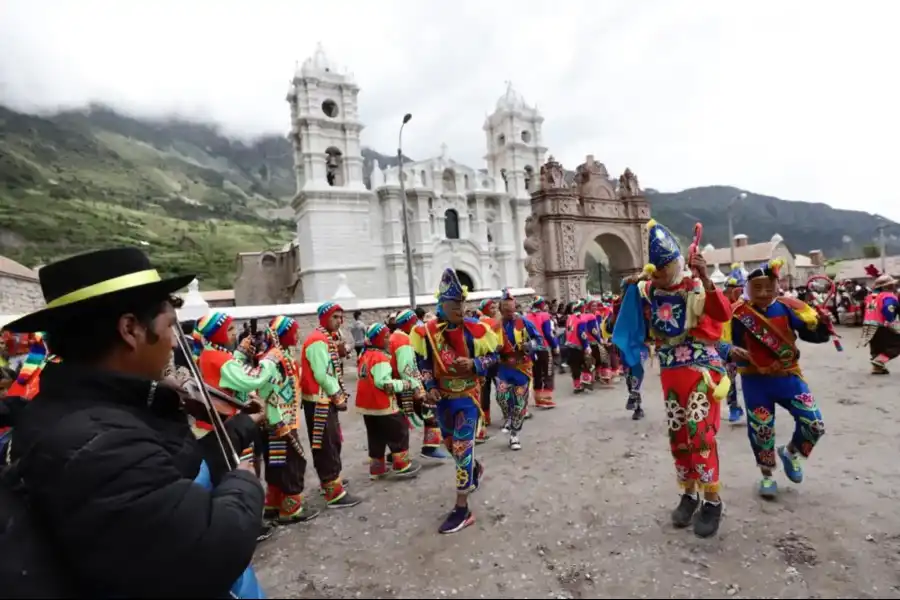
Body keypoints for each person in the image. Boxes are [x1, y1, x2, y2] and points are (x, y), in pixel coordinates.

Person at [4, 247, 264, 597]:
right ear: (130, 329)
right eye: (169, 326)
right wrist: (244, 482)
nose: (174, 341)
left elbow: (169, 475)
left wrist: (240, 426)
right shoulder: (95, 440)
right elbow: (207, 551)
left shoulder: (100, 411)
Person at [613, 219, 732, 538]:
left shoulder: (693, 285)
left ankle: (712, 499)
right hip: (670, 373)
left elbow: (722, 314)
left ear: (677, 263)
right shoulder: (649, 289)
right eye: (657, 270)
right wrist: (630, 285)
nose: (661, 275)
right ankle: (689, 493)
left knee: (700, 433)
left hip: (699, 371)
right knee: (679, 434)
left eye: (666, 268)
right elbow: (625, 317)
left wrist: (706, 278)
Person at [729, 258, 830, 498]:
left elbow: (811, 335)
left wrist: (821, 325)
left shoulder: (787, 308)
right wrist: (741, 357)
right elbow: (728, 346)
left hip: (788, 376)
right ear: (747, 288)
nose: (763, 293)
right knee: (761, 429)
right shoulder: (738, 315)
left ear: (777, 285)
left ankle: (791, 452)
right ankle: (766, 475)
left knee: (814, 423)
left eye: (768, 286)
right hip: (755, 381)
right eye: (757, 288)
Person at [410, 268, 499, 534]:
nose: (459, 308)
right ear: (442, 306)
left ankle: (462, 509)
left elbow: (494, 357)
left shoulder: (476, 331)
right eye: (453, 305)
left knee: (461, 449)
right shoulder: (427, 332)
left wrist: (474, 363)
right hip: (443, 401)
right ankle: (475, 468)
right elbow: (423, 361)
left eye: (462, 303)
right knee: (451, 446)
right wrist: (429, 386)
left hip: (467, 399)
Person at [196, 311, 279, 467]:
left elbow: (232, 367)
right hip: (228, 423)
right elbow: (250, 380)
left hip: (217, 420)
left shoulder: (209, 352)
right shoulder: (220, 359)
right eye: (229, 329)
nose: (235, 332)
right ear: (217, 334)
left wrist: (240, 352)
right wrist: (270, 360)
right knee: (242, 466)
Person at [300, 301, 361, 508]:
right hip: (320, 401)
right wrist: (337, 395)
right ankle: (332, 492)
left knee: (331, 441)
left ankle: (330, 481)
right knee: (326, 443)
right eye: (335, 317)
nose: (339, 321)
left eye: (340, 317)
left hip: (322, 400)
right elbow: (322, 374)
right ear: (325, 318)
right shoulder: (318, 341)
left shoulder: (324, 339)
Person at [259, 316, 320, 523]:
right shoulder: (273, 359)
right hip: (281, 422)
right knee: (293, 461)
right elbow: (267, 391)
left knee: (278, 461)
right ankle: (291, 510)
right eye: (294, 331)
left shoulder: (282, 355)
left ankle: (274, 504)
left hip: (282, 420)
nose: (297, 335)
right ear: (284, 334)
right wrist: (277, 420)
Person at [357, 322, 423, 480]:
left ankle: (377, 468)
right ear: (378, 339)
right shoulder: (379, 357)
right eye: (385, 337)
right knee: (398, 430)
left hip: (367, 406)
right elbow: (384, 383)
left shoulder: (365, 355)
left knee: (375, 436)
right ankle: (402, 464)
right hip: (382, 405)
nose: (388, 340)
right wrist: (405, 384)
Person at [392, 309, 451, 461]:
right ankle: (430, 448)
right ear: (409, 323)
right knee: (431, 413)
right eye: (414, 322)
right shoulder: (404, 340)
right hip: (408, 387)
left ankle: (395, 455)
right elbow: (407, 368)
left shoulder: (394, 337)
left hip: (398, 387)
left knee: (398, 423)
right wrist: (418, 388)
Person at [495, 288, 541, 450]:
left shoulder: (524, 322)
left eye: (511, 309)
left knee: (520, 403)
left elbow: (538, 339)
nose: (509, 313)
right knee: (501, 396)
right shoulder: (495, 325)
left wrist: (530, 345)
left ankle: (515, 434)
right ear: (500, 310)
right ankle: (508, 417)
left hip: (521, 368)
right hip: (504, 368)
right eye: (505, 310)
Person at [859, 269, 900, 374]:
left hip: (868, 324)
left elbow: (864, 309)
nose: (894, 287)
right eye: (892, 285)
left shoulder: (870, 297)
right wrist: (890, 320)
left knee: (876, 346)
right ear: (887, 287)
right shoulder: (888, 296)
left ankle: (877, 368)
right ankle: (879, 361)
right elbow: (888, 308)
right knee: (896, 344)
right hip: (881, 325)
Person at [722, 264, 747, 423]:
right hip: (728, 349)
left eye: (739, 288)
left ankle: (754, 407)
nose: (735, 292)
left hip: (746, 349)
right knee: (729, 380)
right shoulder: (723, 305)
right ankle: (733, 407)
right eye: (732, 288)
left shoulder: (747, 306)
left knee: (749, 381)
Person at [525, 296, 559, 409]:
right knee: (548, 372)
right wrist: (555, 345)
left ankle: (538, 398)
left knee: (537, 373)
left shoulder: (526, 317)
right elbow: (548, 333)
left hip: (532, 349)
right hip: (543, 347)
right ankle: (546, 398)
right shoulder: (545, 316)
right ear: (541, 304)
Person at [564, 301, 592, 393]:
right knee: (585, 363)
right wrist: (587, 345)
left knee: (574, 367)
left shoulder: (569, 318)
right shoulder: (581, 319)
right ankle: (586, 381)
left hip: (569, 345)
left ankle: (577, 385)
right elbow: (582, 334)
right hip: (578, 345)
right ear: (580, 308)